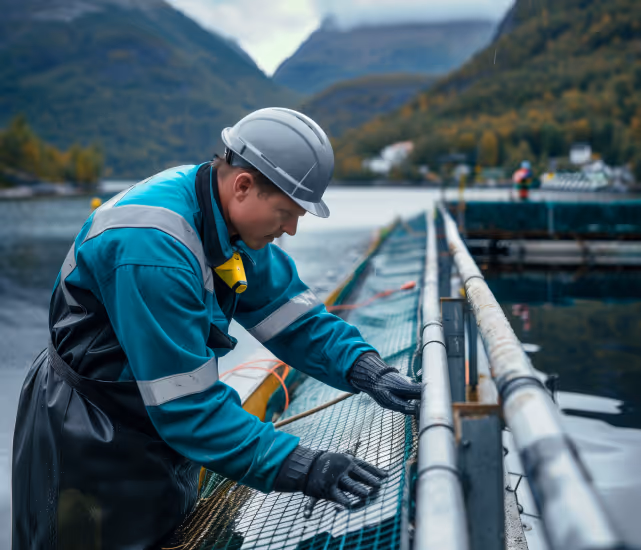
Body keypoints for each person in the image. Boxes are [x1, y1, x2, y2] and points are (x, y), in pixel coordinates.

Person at [12, 108, 421, 549]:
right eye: (286, 212)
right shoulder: (153, 251)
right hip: (87, 434)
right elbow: (187, 407)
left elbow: (292, 317)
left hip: (150, 419)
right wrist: (306, 466)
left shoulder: (227, 219)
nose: (292, 228)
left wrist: (370, 372)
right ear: (244, 184)